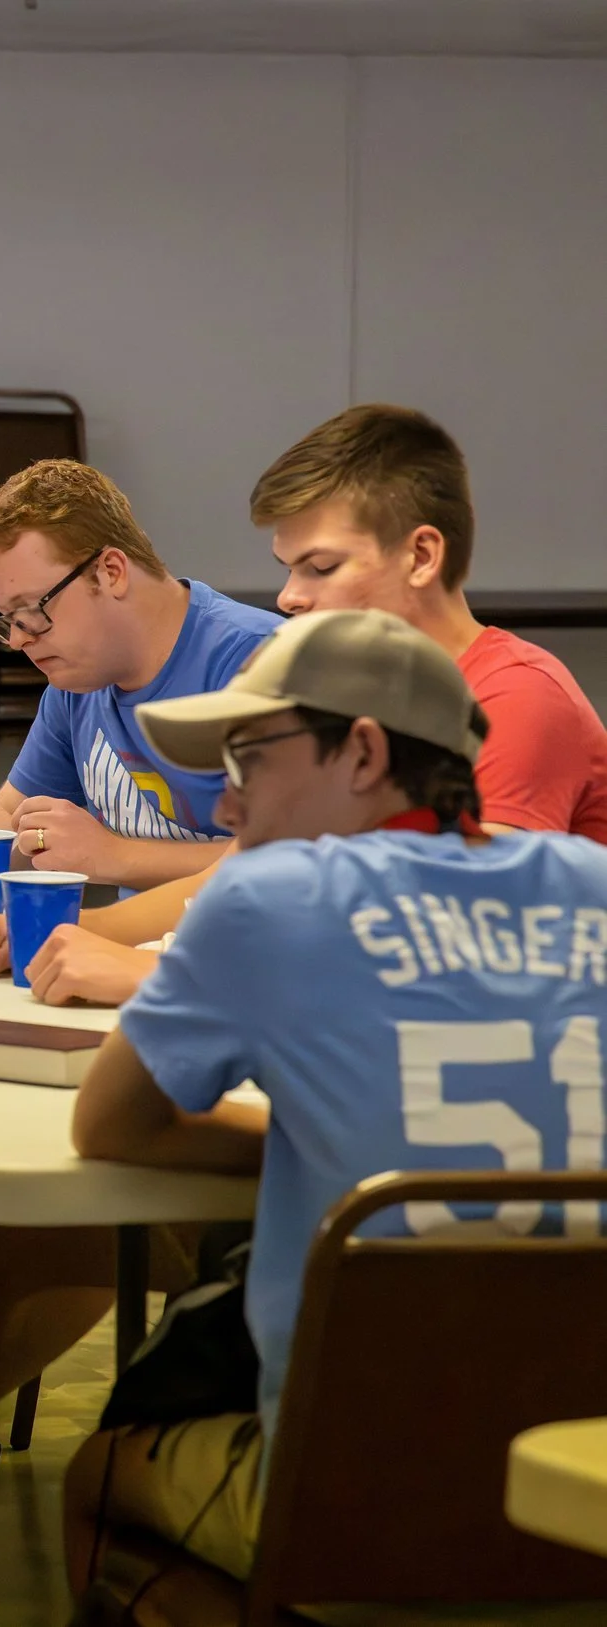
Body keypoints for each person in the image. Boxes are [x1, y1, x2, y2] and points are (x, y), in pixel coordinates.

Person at [61, 608, 607, 1589]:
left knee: (91, 1474)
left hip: (359, 1502)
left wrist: (319, 1155)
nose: (228, 807)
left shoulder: (269, 899)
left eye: (248, 760)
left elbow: (110, 1125)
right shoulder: (594, 881)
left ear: (362, 751)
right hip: (584, 1495)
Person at [0, 405, 607, 1007]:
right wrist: (56, 936)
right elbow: (239, 876)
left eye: (320, 567)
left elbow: (453, 946)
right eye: (288, 568)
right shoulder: (343, 703)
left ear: (422, 556)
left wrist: (157, 974)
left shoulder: (514, 698)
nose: (288, 597)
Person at [0, 460, 281, 889]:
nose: (17, 640)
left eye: (31, 609)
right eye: (5, 618)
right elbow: (7, 817)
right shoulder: (80, 681)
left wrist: (114, 855)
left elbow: (295, 861)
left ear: (111, 572)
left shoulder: (259, 663)